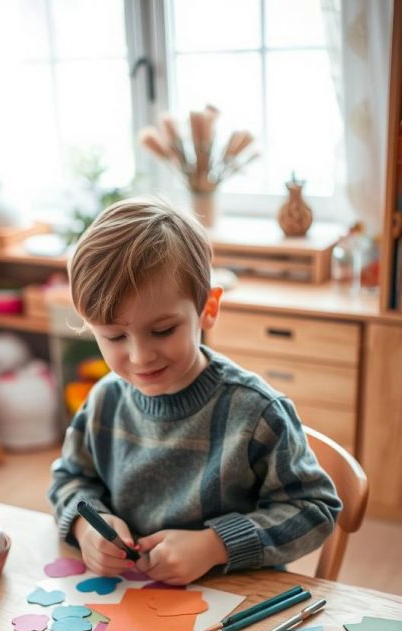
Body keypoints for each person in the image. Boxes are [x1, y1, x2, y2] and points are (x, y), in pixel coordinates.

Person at [48, 196, 341, 585]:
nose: (140, 356)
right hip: (128, 603)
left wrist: (215, 545)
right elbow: (69, 479)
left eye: (163, 330)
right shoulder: (104, 401)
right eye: (115, 336)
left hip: (234, 604)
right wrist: (88, 527)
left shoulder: (256, 413)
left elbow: (314, 510)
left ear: (208, 308)